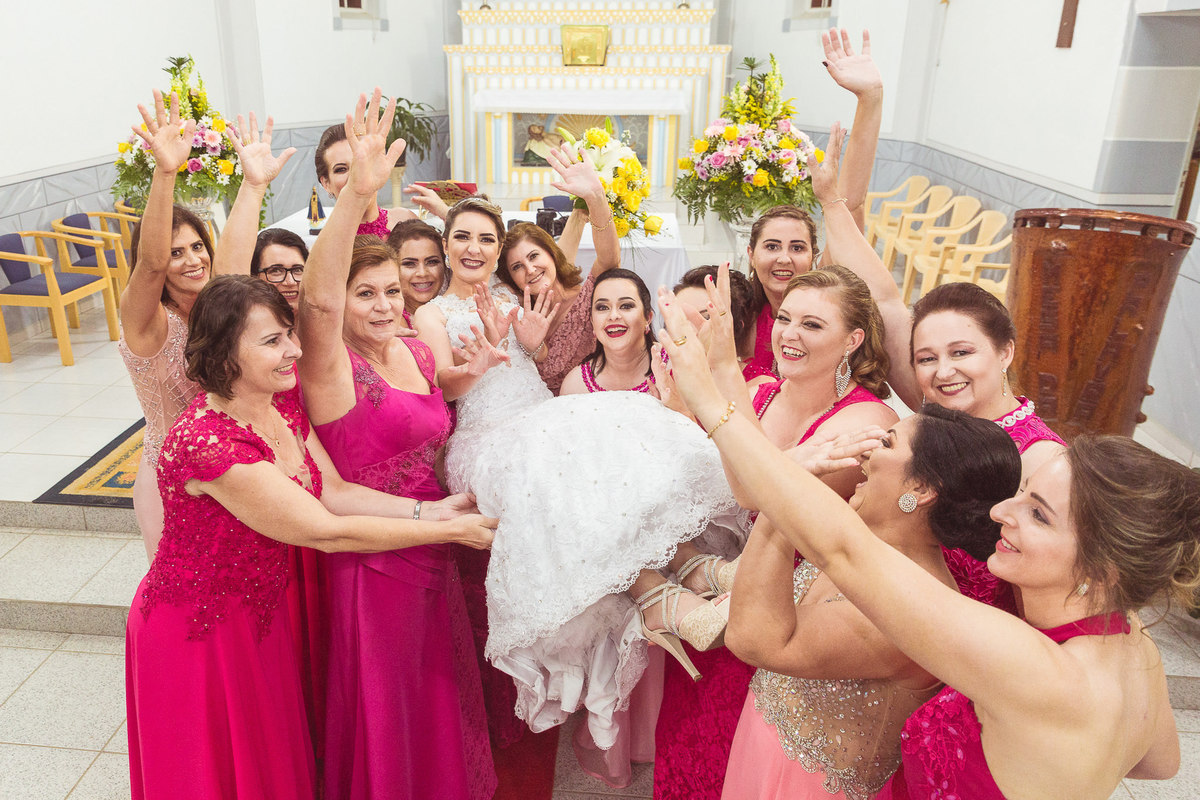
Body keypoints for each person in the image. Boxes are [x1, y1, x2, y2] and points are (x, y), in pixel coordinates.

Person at [658, 292, 1197, 800]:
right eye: (1024, 494)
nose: (1001, 511)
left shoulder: (1033, 667)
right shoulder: (1132, 646)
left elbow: (844, 552)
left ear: (1101, 569)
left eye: (1037, 513)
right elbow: (1159, 762)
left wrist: (710, 397)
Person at [125, 274, 497, 800]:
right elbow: (327, 532)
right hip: (200, 628)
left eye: (289, 334)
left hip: (258, 608)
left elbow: (336, 492)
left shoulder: (278, 404)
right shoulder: (209, 445)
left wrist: (431, 511)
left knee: (270, 758)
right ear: (226, 354)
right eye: (273, 341)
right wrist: (453, 530)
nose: (294, 350)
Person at [413, 192, 744, 754]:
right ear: (445, 245)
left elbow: (582, 265)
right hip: (484, 436)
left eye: (486, 239)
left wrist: (531, 345)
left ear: (498, 252)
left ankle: (689, 562)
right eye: (462, 237)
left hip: (540, 419)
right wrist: (481, 360)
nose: (474, 248)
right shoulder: (431, 311)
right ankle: (654, 592)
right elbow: (441, 383)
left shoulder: (515, 294)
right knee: (563, 466)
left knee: (619, 431)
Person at [296, 92, 496, 800]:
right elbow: (318, 301)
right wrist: (356, 194)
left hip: (438, 538)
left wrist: (470, 378)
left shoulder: (409, 346)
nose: (383, 305)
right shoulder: (329, 365)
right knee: (389, 706)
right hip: (375, 553)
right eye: (366, 296)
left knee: (433, 694)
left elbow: (433, 423)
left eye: (391, 291)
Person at [649, 263, 898, 800]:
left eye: (813, 325)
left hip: (788, 608)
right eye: (785, 318)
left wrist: (718, 371)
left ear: (853, 340)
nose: (789, 334)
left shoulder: (866, 422)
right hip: (718, 591)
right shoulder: (760, 388)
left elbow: (755, 493)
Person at [722, 406, 1022, 800]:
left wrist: (784, 486)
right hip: (761, 746)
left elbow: (753, 640)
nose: (866, 454)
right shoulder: (861, 541)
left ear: (920, 489)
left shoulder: (914, 606)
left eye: (886, 442)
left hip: (805, 786)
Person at [742, 29, 885, 382]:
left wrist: (870, 99)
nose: (784, 258)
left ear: (815, 256)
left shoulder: (828, 292)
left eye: (797, 247)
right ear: (751, 253)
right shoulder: (741, 312)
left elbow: (849, 204)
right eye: (772, 246)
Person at [119, 90, 213, 562]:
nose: (193, 260)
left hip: (229, 468)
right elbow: (151, 266)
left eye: (197, 246)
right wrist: (166, 172)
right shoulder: (149, 324)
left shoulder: (217, 310)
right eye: (178, 252)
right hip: (171, 480)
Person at [496, 142, 622, 394]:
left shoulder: (589, 296)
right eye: (517, 266)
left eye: (534, 256)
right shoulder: (516, 313)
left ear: (552, 255)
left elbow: (609, 260)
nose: (530, 269)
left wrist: (596, 197)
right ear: (511, 278)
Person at [315, 111, 417, 238]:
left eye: (362, 163)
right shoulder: (328, 242)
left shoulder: (406, 220)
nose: (356, 174)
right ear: (326, 183)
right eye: (341, 169)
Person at [559, 268, 658, 395]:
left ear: (648, 318)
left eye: (626, 306)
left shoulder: (675, 366)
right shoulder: (575, 385)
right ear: (593, 322)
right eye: (602, 307)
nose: (613, 316)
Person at [386, 218, 446, 325]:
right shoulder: (385, 320)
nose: (422, 273)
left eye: (432, 262)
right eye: (409, 264)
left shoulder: (457, 313)